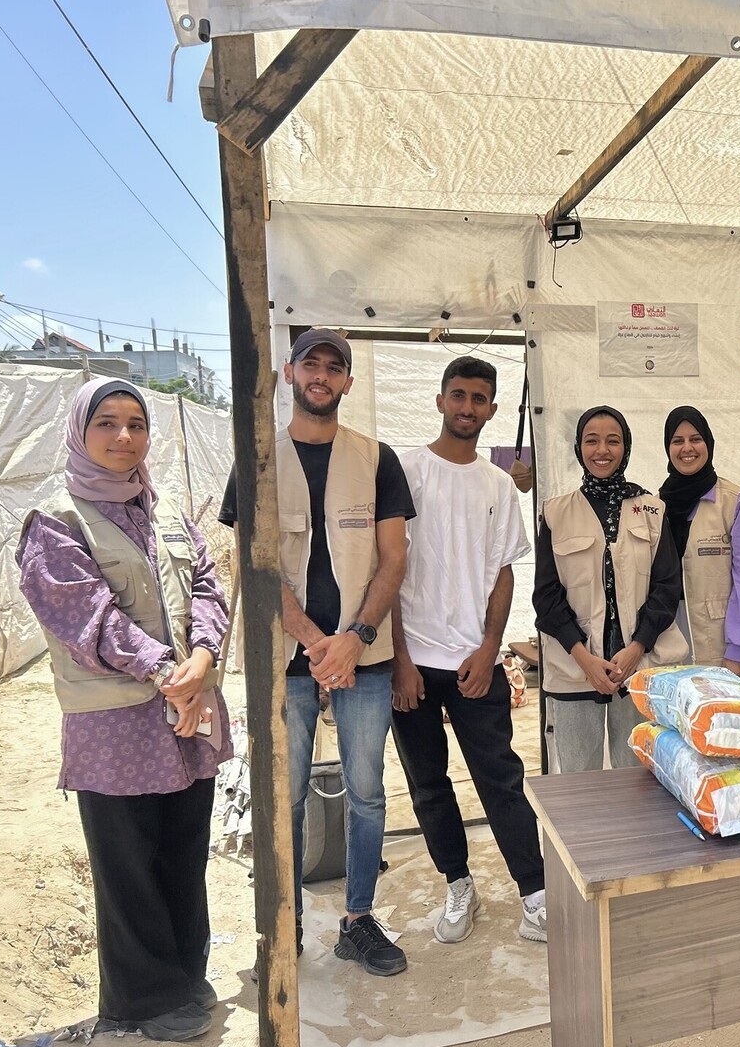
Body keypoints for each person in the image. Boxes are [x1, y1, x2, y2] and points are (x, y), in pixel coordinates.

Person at [18, 379, 232, 1042]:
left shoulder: (163, 508)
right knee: (127, 863)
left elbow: (204, 582)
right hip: (115, 723)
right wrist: (171, 672)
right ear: (80, 433)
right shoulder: (55, 522)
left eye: (135, 423)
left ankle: (185, 979)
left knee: (181, 849)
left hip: (185, 712)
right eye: (106, 423)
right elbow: (84, 619)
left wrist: (202, 656)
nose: (123, 437)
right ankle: (144, 1001)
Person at [219, 328, 414, 977]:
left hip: (365, 652)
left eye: (336, 367)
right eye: (312, 364)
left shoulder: (377, 459)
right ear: (289, 373)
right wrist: (311, 641)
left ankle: (357, 922)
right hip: (289, 659)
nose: (322, 376)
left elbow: (393, 561)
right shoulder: (258, 459)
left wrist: (354, 638)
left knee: (366, 792)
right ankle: (287, 928)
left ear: (348, 383)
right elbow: (255, 561)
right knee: (288, 796)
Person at [389, 356, 546, 948]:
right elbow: (390, 569)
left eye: (479, 399)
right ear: (439, 400)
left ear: (493, 410)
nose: (467, 408)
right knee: (428, 782)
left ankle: (534, 894)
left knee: (500, 778)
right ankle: (459, 883)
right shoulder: (405, 472)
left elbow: (503, 572)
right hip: (413, 666)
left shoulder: (499, 484)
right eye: (458, 395)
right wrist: (401, 661)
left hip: (475, 659)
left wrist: (490, 648)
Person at [533, 406, 688, 771]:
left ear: (626, 447)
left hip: (640, 668)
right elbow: (546, 595)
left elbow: (667, 586)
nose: (602, 450)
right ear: (579, 447)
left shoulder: (651, 509)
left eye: (612, 441)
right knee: (578, 781)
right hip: (574, 670)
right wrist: (584, 658)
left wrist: (637, 647)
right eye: (592, 440)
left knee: (638, 779)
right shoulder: (556, 513)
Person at [660, 406, 740, 678]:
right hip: (667, 640)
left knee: (723, 718)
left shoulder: (733, 501)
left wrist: (739, 649)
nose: (687, 448)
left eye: (695, 439)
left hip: (720, 641)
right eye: (677, 441)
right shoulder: (656, 506)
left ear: (708, 443)